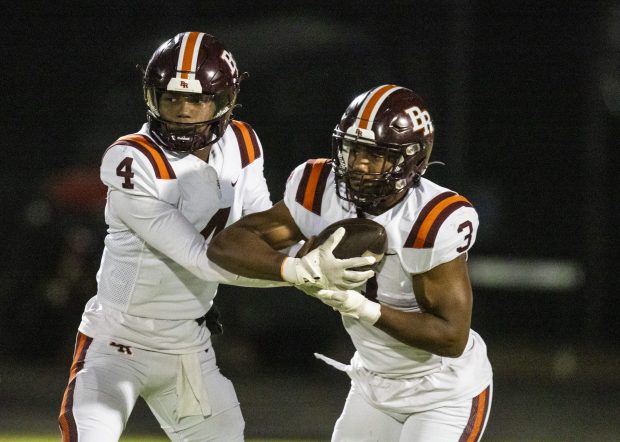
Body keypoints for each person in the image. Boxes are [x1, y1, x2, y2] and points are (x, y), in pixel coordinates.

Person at [57, 32, 374, 442]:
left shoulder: (242, 142)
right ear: (153, 99)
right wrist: (303, 272)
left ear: (223, 100)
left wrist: (315, 257)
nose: (184, 111)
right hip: (116, 346)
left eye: (197, 99)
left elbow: (261, 229)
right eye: (172, 98)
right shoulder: (131, 159)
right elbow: (203, 257)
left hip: (189, 349)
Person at [208, 84, 494, 441]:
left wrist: (364, 308)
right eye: (352, 149)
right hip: (372, 384)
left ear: (411, 158)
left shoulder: (431, 220)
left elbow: (451, 336)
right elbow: (227, 244)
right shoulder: (319, 188)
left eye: (375, 155)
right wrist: (294, 269)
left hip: (443, 391)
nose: (358, 165)